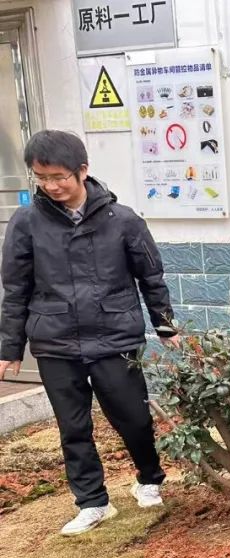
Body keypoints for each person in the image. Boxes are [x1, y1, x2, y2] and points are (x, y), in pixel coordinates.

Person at [0, 130, 178, 535]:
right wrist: (10, 347)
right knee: (73, 427)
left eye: (58, 176)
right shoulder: (27, 222)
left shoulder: (123, 220)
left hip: (114, 336)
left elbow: (151, 277)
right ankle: (92, 501)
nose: (51, 186)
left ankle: (149, 478)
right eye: (41, 177)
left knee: (134, 417)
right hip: (55, 340)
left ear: (82, 170)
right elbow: (16, 288)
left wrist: (166, 325)